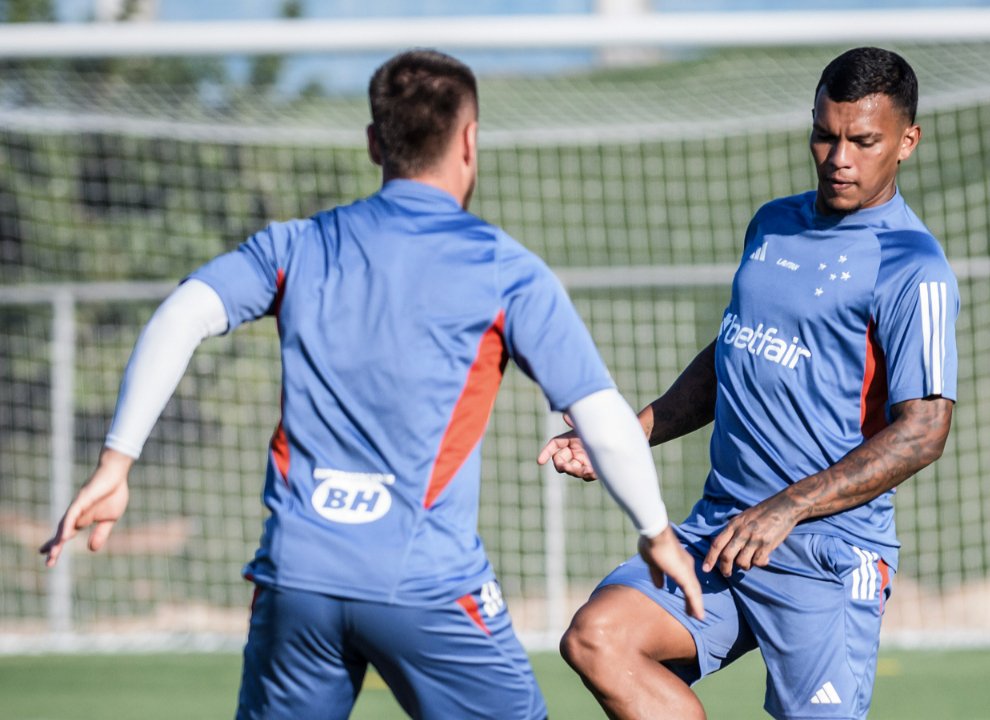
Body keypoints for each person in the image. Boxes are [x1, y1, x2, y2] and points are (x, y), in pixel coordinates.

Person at [40, 49, 702, 720]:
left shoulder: (299, 245)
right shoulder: (504, 270)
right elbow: (600, 414)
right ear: (470, 141)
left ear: (372, 143)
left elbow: (181, 313)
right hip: (427, 581)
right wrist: (655, 530)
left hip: (299, 576)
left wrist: (115, 463)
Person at [538, 47, 958, 720]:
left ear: (906, 141)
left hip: (827, 551)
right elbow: (736, 350)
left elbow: (924, 430)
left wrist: (789, 506)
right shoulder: (772, 223)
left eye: (863, 141)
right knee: (599, 640)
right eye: (826, 134)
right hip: (720, 530)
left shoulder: (914, 265)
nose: (839, 157)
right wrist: (626, 435)